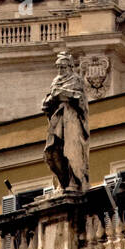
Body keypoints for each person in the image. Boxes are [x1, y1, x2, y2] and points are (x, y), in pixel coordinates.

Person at [42, 52, 90, 192]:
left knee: (70, 150)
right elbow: (46, 103)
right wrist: (50, 100)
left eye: (63, 67)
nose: (60, 70)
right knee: (54, 150)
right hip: (57, 120)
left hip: (71, 120)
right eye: (58, 67)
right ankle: (62, 182)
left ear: (69, 67)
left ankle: (74, 181)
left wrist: (63, 94)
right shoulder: (55, 81)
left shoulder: (76, 80)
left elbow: (80, 99)